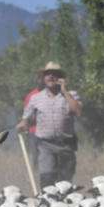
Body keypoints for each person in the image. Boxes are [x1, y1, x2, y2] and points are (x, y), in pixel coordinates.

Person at [16, 60, 83, 188]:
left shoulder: (72, 95)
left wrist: (65, 91)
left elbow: (78, 112)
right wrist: (23, 124)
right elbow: (27, 118)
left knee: (65, 184)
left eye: (55, 74)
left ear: (60, 78)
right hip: (45, 144)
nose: (51, 76)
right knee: (47, 180)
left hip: (66, 144)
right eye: (48, 74)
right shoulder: (35, 98)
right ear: (44, 78)